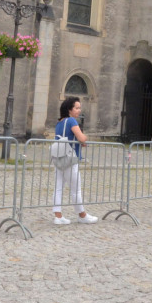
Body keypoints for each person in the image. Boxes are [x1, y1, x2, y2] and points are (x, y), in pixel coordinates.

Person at [52, 96, 97, 225]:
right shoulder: (72, 121)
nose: (79, 110)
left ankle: (58, 215)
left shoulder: (59, 122)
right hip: (70, 159)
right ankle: (82, 215)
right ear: (69, 109)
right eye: (76, 108)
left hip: (59, 158)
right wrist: (84, 137)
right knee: (75, 189)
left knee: (58, 187)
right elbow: (82, 138)